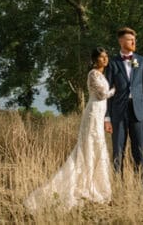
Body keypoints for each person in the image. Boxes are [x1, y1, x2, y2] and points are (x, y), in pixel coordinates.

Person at [24, 47, 115, 211]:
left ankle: (97, 185)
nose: (105, 59)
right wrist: (116, 89)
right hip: (93, 113)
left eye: (106, 56)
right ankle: (83, 184)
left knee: (98, 146)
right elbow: (102, 95)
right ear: (95, 60)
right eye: (101, 57)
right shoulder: (93, 74)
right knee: (88, 146)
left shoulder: (102, 75)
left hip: (100, 113)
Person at [105, 27, 143, 183]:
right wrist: (107, 118)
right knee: (118, 151)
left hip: (138, 111)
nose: (133, 42)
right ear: (121, 41)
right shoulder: (112, 63)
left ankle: (141, 187)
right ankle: (118, 186)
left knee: (138, 150)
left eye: (134, 40)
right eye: (129, 39)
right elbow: (106, 92)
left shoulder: (142, 61)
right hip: (118, 112)